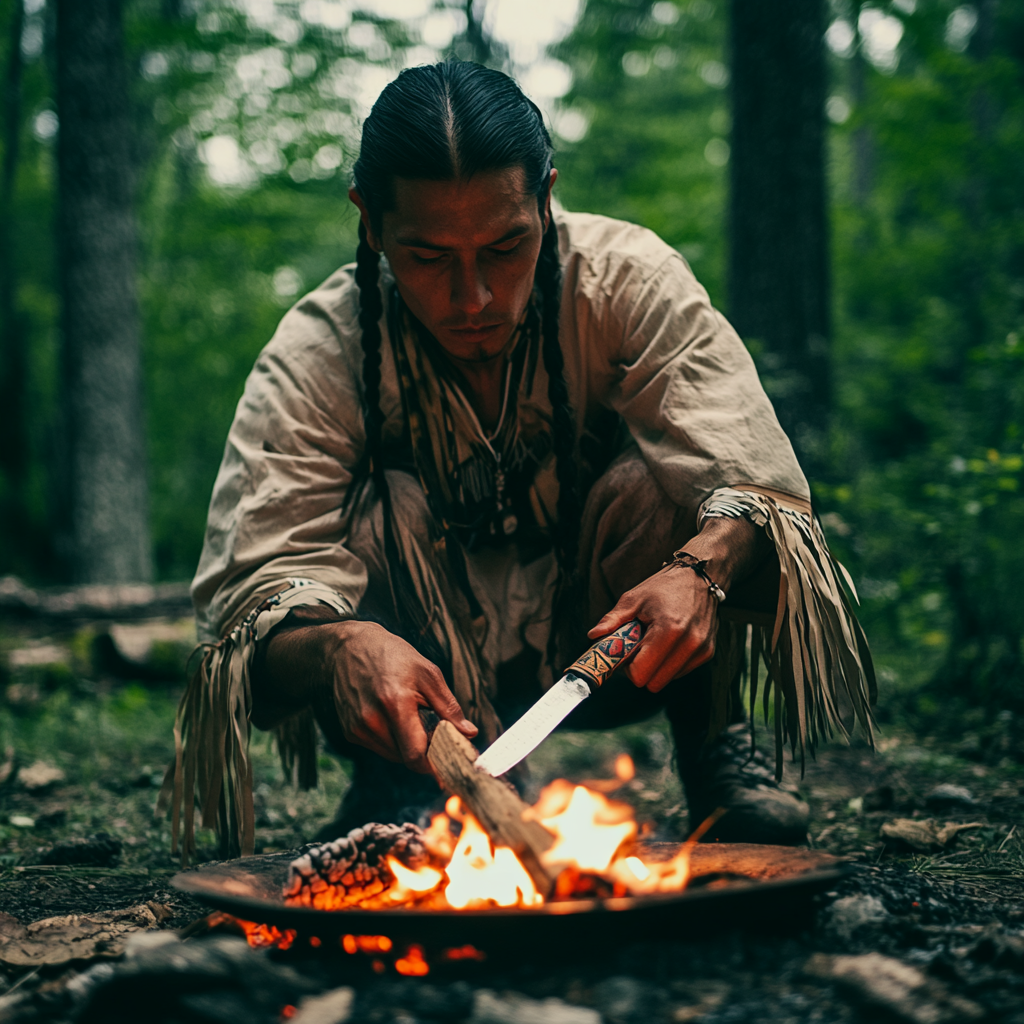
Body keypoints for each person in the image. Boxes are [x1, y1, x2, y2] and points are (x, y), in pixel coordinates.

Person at [165, 61, 875, 863]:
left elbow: (760, 486)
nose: (475, 299)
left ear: (546, 196)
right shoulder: (317, 350)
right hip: (426, 702)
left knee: (673, 490)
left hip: (614, 661)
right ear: (370, 221)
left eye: (507, 248)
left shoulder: (628, 280)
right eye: (429, 258)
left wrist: (699, 573)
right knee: (373, 515)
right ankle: (399, 783)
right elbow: (245, 603)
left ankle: (716, 742)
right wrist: (336, 646)